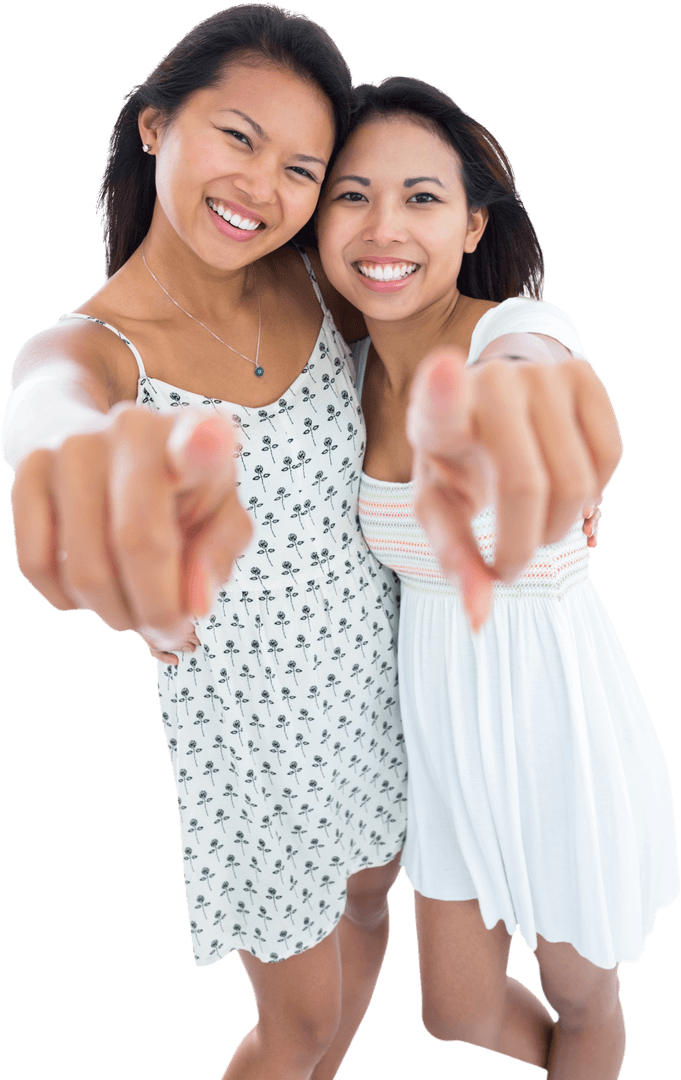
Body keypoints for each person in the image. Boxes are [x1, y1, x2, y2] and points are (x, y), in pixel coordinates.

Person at [1, 8, 621, 1080]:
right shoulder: (97, 347)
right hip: (256, 749)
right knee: (291, 1028)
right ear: (154, 126)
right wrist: (60, 449)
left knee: (372, 906)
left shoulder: (314, 283)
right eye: (237, 138)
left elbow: (478, 328)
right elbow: (46, 398)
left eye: (303, 168)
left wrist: (535, 374)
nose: (262, 189)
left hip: (385, 698)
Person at [315, 75, 679, 1079]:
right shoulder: (342, 378)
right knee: (455, 1010)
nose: (384, 225)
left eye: (422, 198)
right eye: (352, 194)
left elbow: (552, 383)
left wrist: (550, 440)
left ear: (475, 225)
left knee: (582, 996)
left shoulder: (508, 332)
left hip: (552, 717)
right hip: (436, 728)